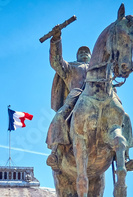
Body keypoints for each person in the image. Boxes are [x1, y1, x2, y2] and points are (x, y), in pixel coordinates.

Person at [46, 25, 91, 169]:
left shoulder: (100, 68)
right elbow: (56, 62)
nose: (84, 53)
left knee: (122, 114)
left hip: (100, 97)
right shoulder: (71, 67)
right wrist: (56, 40)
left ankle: (124, 154)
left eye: (87, 52)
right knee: (59, 117)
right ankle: (56, 150)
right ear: (77, 56)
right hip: (75, 97)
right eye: (81, 52)